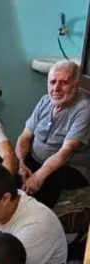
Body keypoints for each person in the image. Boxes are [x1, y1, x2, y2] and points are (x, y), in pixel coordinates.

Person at [15, 60, 90, 208]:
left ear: (76, 85)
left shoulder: (84, 110)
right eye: (53, 82)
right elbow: (24, 136)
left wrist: (38, 177)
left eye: (63, 82)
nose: (56, 88)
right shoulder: (45, 101)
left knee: (41, 193)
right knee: (5, 177)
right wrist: (21, 163)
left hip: (69, 167)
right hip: (36, 159)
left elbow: (65, 153)